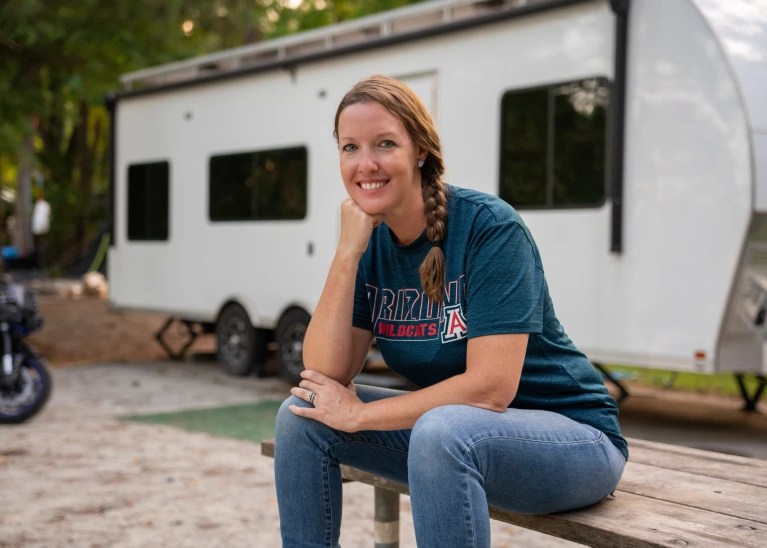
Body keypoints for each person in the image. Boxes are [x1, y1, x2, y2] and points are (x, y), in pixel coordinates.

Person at [274, 75, 627, 548]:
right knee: (301, 414)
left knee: (443, 429)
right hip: (452, 444)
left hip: (573, 443)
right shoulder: (370, 246)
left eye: (384, 144)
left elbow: (491, 389)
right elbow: (324, 373)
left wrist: (360, 417)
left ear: (419, 149)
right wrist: (346, 255)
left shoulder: (490, 228)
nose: (366, 164)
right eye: (349, 148)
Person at [31, 188, 51, 270]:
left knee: (43, 248)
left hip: (43, 230)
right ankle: (39, 265)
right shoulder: (37, 205)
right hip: (39, 231)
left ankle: (43, 265)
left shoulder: (44, 205)